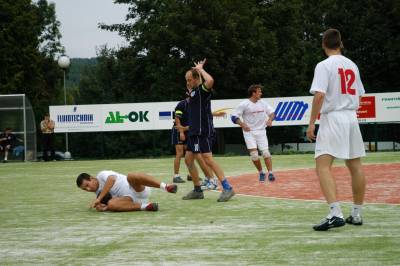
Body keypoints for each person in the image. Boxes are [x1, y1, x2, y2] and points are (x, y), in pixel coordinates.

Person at [306, 28, 366, 231]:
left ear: (324, 45)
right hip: (351, 117)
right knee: (355, 165)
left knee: (322, 164)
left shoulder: (324, 65)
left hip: (333, 117)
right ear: (340, 44)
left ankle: (335, 213)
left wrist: (312, 122)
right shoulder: (352, 65)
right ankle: (356, 214)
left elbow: (320, 95)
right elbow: (360, 95)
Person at [182, 58, 235, 202]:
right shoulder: (193, 93)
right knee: (188, 160)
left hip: (202, 132)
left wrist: (200, 70)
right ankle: (198, 190)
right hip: (194, 132)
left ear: (196, 79)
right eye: (186, 80)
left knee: (208, 160)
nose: (187, 82)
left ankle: (228, 188)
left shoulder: (202, 90)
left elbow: (210, 80)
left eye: (189, 79)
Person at [172, 94, 219, 190]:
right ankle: (176, 176)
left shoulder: (197, 104)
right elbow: (177, 119)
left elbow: (204, 115)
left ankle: (203, 178)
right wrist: (181, 132)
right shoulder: (182, 104)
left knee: (194, 155)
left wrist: (215, 114)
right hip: (180, 131)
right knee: (181, 153)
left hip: (191, 131)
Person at [231, 84, 276, 182]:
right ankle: (261, 173)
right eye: (259, 92)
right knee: (254, 155)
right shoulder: (244, 104)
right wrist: (243, 124)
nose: (261, 93)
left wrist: (270, 120)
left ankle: (271, 173)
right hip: (249, 132)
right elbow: (234, 117)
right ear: (253, 93)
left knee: (266, 153)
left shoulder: (263, 103)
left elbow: (272, 113)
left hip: (261, 131)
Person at [76, 170, 178, 212]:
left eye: (87, 185)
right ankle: (146, 206)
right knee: (111, 204)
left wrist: (99, 199)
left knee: (131, 176)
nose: (88, 189)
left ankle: (166, 186)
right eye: (85, 189)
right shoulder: (98, 194)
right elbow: (110, 201)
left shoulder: (102, 174)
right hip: (130, 200)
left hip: (137, 189)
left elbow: (111, 179)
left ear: (91, 178)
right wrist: (103, 207)